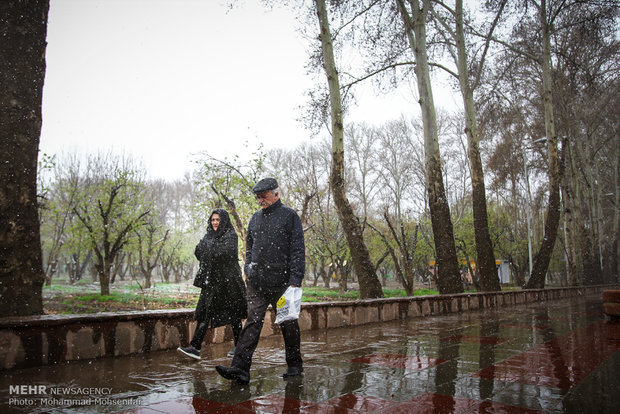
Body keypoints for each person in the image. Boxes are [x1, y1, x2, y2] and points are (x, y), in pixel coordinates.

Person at [216, 177, 305, 384]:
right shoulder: (255, 218)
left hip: (283, 283)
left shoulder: (290, 216)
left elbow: (298, 250)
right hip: (257, 282)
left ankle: (294, 365)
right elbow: (250, 247)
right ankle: (240, 369)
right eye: (258, 197)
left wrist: (295, 280)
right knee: (252, 323)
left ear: (276, 193)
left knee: (288, 323)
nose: (260, 201)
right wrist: (248, 268)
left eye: (263, 196)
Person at [178, 208, 247, 360]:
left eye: (218, 220)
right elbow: (198, 251)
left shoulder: (231, 235)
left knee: (234, 314)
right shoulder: (209, 236)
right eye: (213, 220)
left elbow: (223, 253)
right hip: (212, 282)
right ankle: (195, 347)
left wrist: (209, 250)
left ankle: (239, 346)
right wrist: (210, 250)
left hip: (229, 282)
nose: (215, 223)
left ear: (223, 221)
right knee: (205, 312)